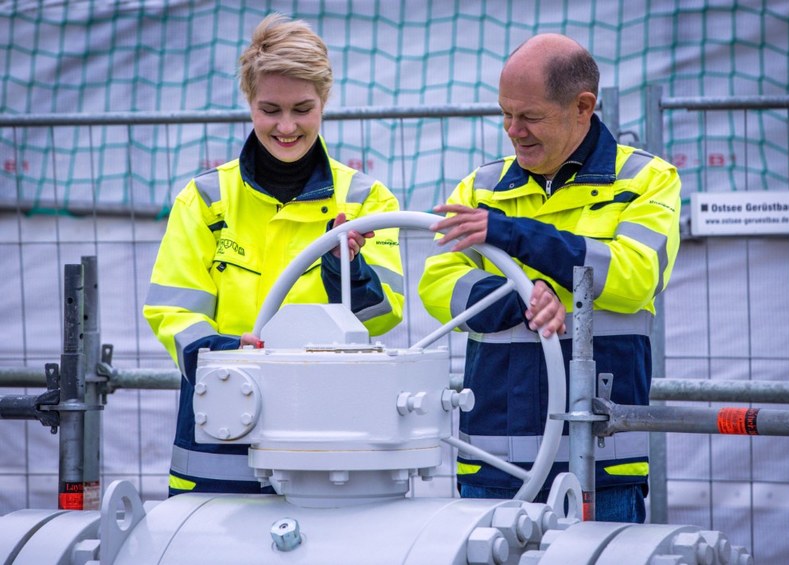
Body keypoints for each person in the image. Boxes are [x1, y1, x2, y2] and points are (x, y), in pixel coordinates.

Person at [418, 33, 681, 523]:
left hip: (602, 465)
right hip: (493, 461)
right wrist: (520, 298)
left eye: (530, 117)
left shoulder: (648, 180)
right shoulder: (481, 186)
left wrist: (512, 236)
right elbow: (437, 284)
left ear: (583, 107)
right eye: (505, 114)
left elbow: (635, 277)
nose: (513, 130)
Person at [143, 13, 404, 496]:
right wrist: (229, 356)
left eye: (302, 109)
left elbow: (384, 317)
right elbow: (172, 312)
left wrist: (345, 266)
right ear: (249, 102)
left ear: (324, 101)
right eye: (271, 109)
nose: (286, 126)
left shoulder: (368, 200)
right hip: (222, 429)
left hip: (331, 432)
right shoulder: (204, 198)